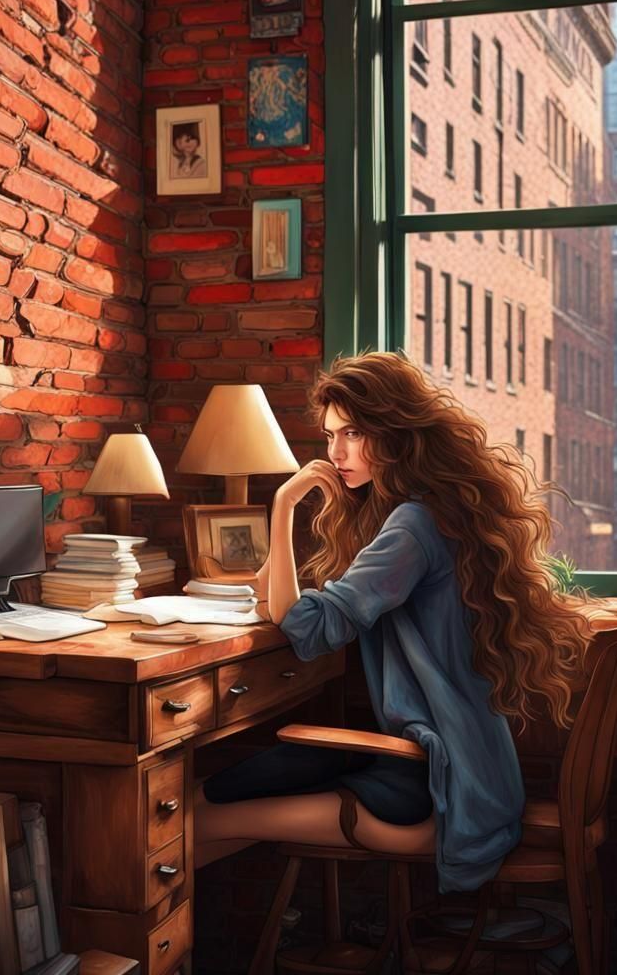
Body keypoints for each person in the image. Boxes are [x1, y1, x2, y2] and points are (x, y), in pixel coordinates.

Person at [194, 351, 593, 894]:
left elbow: (307, 628)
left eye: (353, 434)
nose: (336, 453)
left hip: (437, 790)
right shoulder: (428, 511)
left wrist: (285, 505)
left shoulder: (412, 524)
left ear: (396, 432)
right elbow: (282, 596)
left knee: (186, 824)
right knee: (203, 812)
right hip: (467, 772)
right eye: (331, 435)